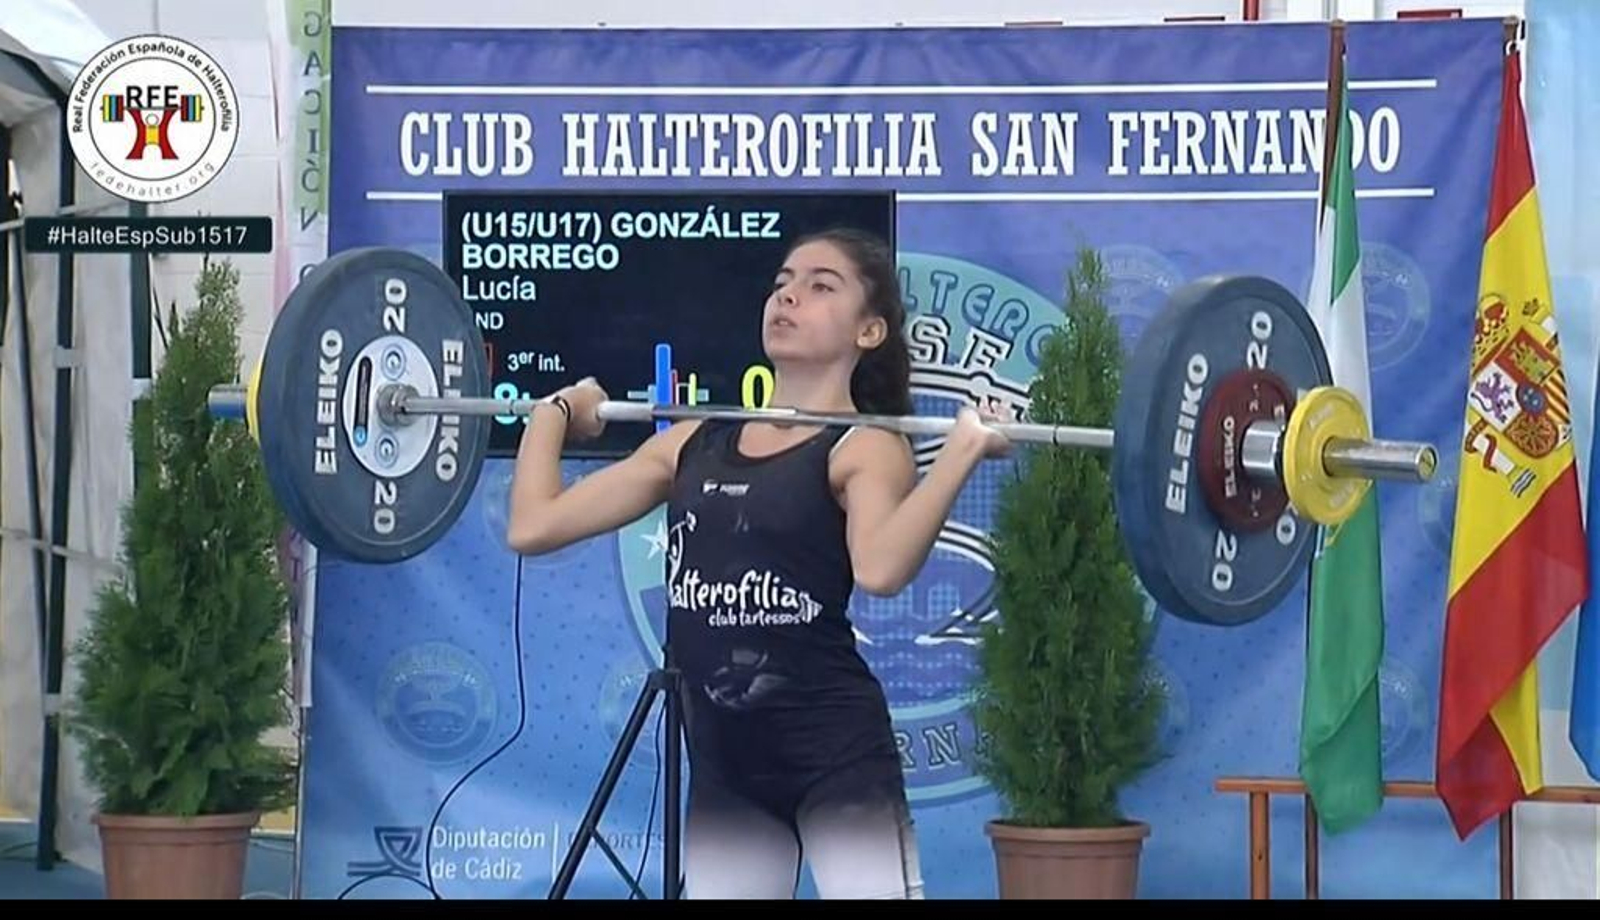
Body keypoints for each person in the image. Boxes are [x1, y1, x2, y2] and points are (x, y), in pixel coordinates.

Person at [506, 227, 1010, 899]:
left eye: (821, 286)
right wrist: (556, 412)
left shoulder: (864, 446)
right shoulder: (691, 443)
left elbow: (882, 570)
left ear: (868, 332)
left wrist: (962, 451)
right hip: (729, 774)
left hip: (838, 762)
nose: (788, 297)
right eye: (782, 284)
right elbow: (533, 526)